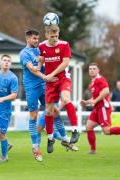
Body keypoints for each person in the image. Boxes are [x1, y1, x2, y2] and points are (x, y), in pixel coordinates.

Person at [20, 29, 74, 161]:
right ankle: (35, 148)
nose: (36, 41)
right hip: (32, 87)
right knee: (33, 115)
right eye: (34, 38)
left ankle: (65, 139)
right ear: (27, 39)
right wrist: (46, 77)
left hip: (45, 84)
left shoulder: (41, 49)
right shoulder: (24, 53)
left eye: (37, 38)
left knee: (53, 110)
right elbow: (32, 69)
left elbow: (49, 61)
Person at [39, 25, 80, 153]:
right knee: (49, 111)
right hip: (50, 83)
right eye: (52, 36)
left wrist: (52, 73)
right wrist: (39, 65)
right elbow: (39, 61)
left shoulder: (64, 45)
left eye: (56, 35)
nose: (55, 38)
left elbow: (66, 63)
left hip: (63, 78)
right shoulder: (41, 46)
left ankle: (75, 130)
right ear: (46, 35)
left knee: (66, 98)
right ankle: (51, 138)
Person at [80, 63, 120, 154]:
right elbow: (96, 97)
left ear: (98, 70)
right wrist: (87, 102)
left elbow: (106, 91)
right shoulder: (92, 82)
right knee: (89, 127)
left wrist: (95, 101)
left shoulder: (100, 79)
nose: (92, 70)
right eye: (90, 69)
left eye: (94, 69)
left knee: (107, 131)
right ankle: (93, 150)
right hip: (97, 108)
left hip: (103, 108)